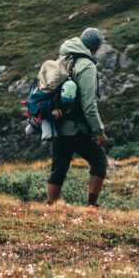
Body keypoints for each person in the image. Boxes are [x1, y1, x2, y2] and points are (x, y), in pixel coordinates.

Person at [46, 27, 109, 207]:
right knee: (99, 162)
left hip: (57, 124)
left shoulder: (63, 58)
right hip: (76, 128)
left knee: (58, 168)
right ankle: (91, 206)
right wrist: (99, 132)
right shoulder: (87, 65)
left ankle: (50, 208)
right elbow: (89, 106)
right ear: (95, 48)